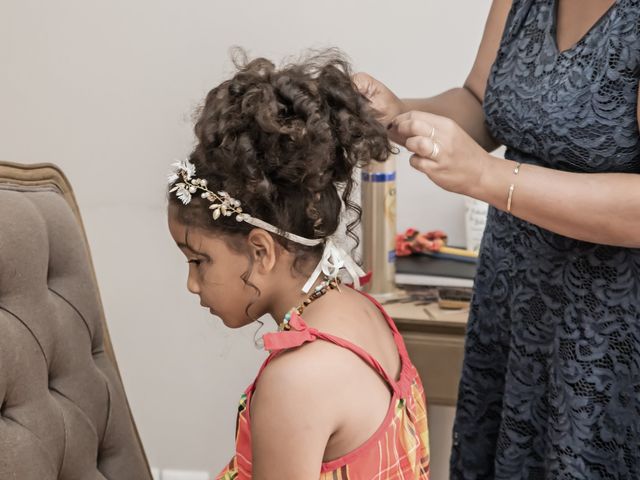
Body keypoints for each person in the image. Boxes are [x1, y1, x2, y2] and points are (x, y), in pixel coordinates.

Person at [354, 0, 640, 478]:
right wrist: (401, 113)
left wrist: (488, 176)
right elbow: (481, 103)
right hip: (514, 306)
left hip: (611, 330)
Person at [167, 51, 430, 480]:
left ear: (261, 251)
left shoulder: (296, 382)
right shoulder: (363, 311)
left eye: (199, 261)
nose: (192, 284)